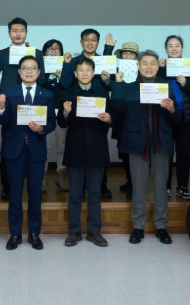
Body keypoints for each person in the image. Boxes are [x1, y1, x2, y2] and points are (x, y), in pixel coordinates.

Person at [110, 50, 180, 245]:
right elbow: (118, 108)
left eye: (152, 63)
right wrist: (118, 83)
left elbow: (178, 118)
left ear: (158, 66)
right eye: (145, 63)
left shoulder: (168, 86)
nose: (149, 67)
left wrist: (172, 109)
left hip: (160, 142)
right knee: (138, 186)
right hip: (137, 142)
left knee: (161, 186)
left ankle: (161, 226)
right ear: (138, 66)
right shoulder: (129, 87)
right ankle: (138, 227)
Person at [0, 55, 56, 250]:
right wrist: (1, 108)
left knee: (35, 194)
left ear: (39, 72)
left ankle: (34, 233)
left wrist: (41, 129)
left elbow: (52, 122)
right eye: (25, 68)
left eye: (33, 68)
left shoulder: (46, 94)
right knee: (14, 194)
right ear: (19, 72)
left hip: (36, 150)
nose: (29, 71)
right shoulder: (9, 93)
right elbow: (4, 122)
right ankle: (15, 234)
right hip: (14, 151)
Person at [58, 58, 115, 247]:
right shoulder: (67, 93)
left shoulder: (103, 93)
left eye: (88, 69)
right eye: (80, 70)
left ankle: (94, 231)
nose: (84, 73)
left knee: (95, 193)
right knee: (75, 194)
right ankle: (74, 231)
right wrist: (65, 113)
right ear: (75, 73)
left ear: (93, 72)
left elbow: (112, 119)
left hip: (97, 149)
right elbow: (61, 123)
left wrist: (109, 118)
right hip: (75, 149)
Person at [0, 17, 46, 200]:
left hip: (31, 100)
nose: (18, 33)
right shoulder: (2, 52)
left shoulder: (36, 53)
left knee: (33, 139)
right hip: (8, 100)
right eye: (14, 30)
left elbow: (42, 79)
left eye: (21, 30)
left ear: (26, 33)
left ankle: (34, 184)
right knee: (9, 143)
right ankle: (7, 186)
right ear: (9, 33)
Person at [60, 28, 116, 198]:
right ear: (81, 42)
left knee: (97, 150)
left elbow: (110, 86)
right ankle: (81, 187)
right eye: (86, 39)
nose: (90, 42)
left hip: (97, 117)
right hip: (77, 117)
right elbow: (65, 84)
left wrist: (108, 79)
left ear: (97, 43)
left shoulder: (103, 60)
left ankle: (101, 185)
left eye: (93, 39)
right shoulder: (73, 61)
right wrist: (66, 64)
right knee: (79, 150)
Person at [158, 35, 190, 201]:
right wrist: (160, 69)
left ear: (182, 48)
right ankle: (166, 186)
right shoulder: (162, 66)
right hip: (167, 116)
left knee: (183, 153)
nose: (174, 48)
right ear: (166, 49)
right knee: (167, 153)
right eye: (170, 46)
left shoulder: (189, 67)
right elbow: (156, 88)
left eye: (177, 45)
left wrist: (185, 84)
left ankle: (182, 187)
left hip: (186, 117)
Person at [112, 42, 139, 198]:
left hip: (137, 117)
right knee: (123, 152)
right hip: (121, 118)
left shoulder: (143, 71)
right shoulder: (116, 71)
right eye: (125, 54)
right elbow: (110, 89)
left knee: (135, 152)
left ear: (136, 57)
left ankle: (135, 183)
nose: (128, 57)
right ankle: (129, 180)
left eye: (131, 54)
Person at [42, 39, 68, 192]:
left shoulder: (66, 68)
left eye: (56, 49)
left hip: (61, 112)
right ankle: (42, 175)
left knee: (61, 145)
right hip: (44, 112)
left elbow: (68, 89)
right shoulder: (39, 68)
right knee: (44, 146)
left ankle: (61, 174)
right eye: (50, 49)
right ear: (45, 52)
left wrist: (62, 76)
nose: (53, 52)